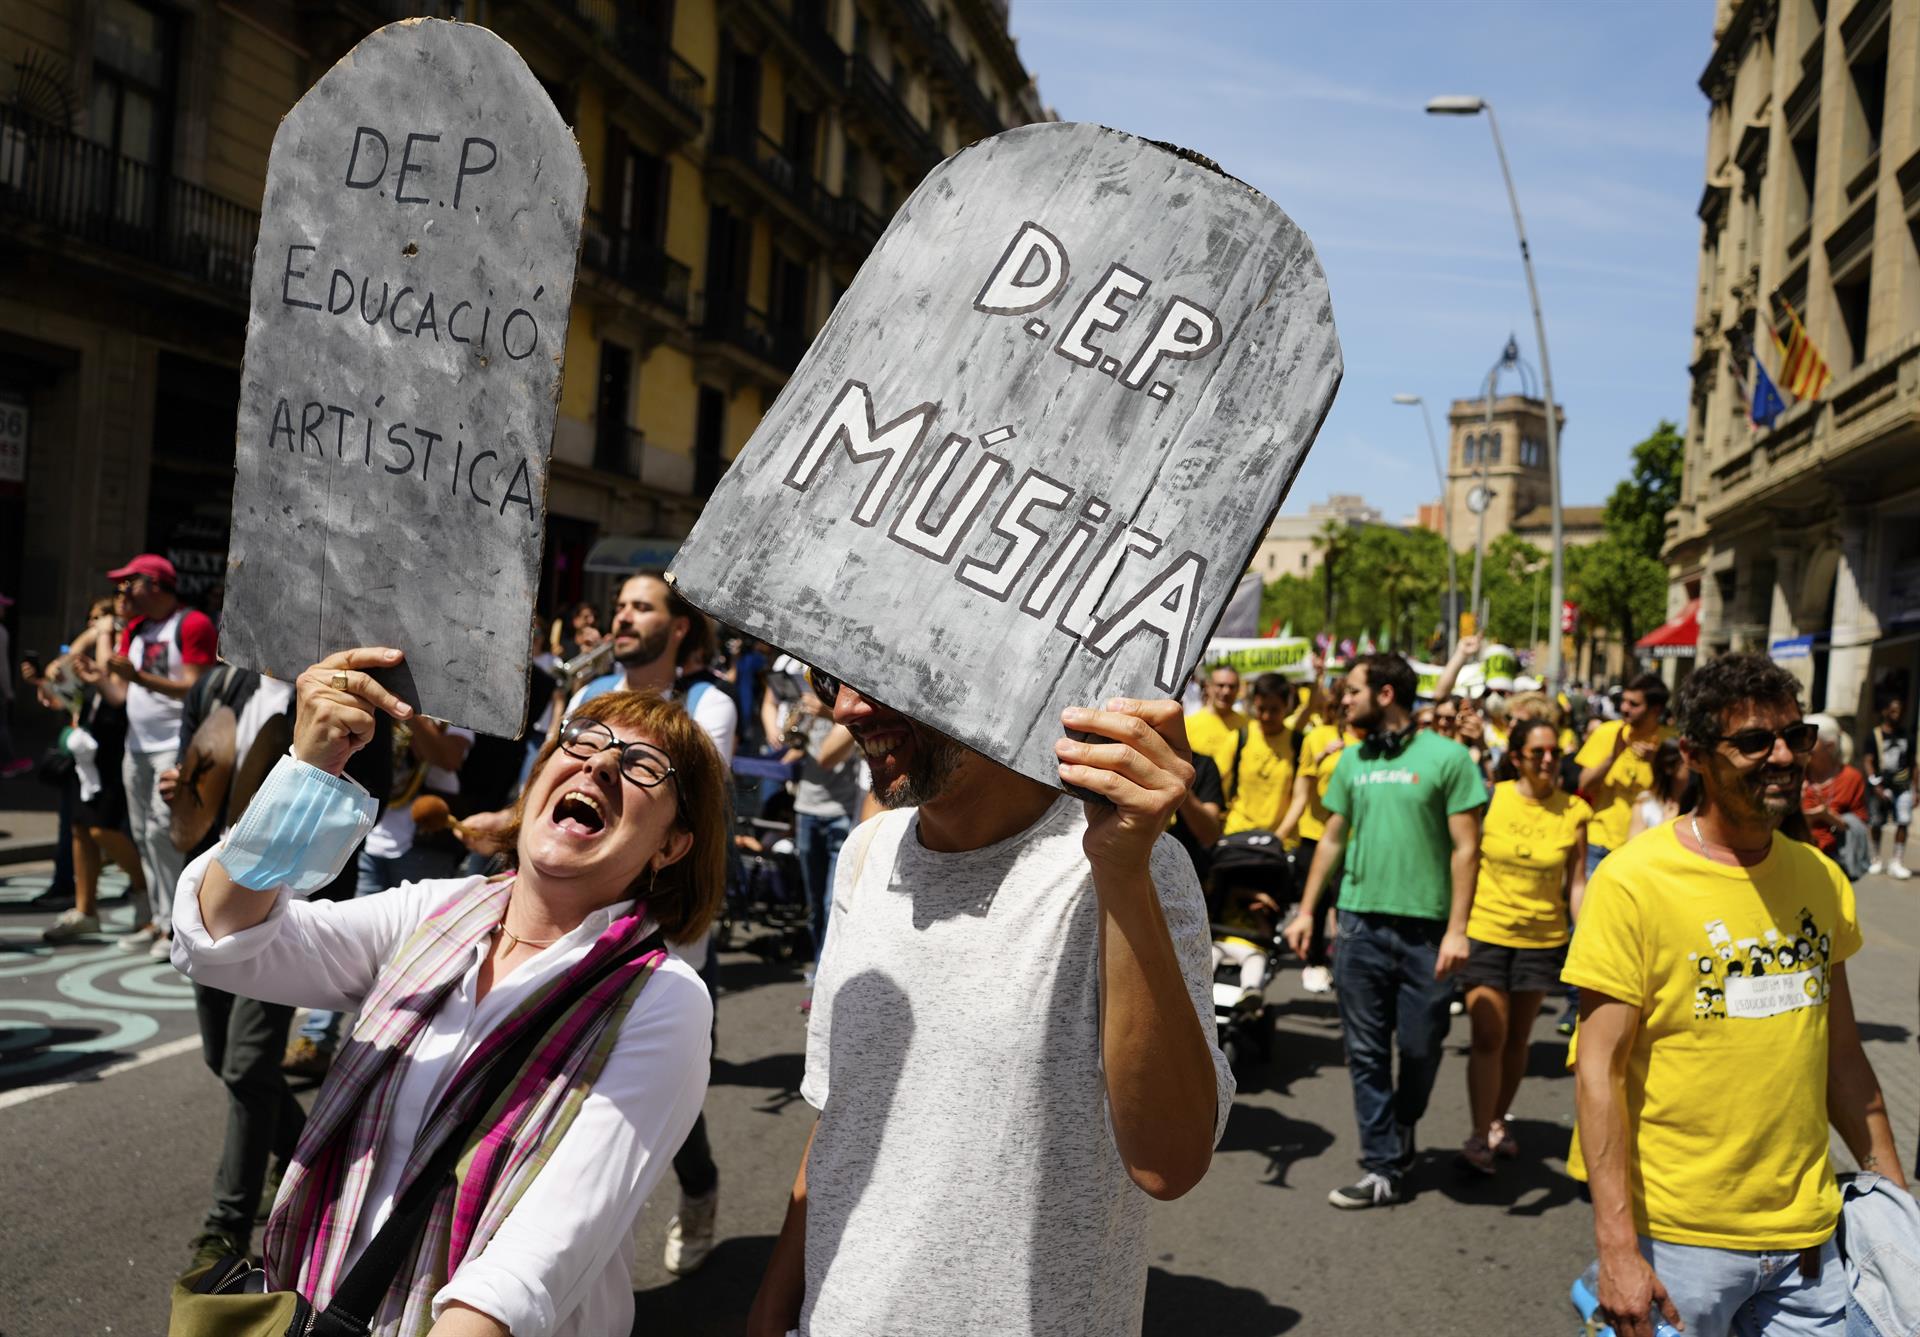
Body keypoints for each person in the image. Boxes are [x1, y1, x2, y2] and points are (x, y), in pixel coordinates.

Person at [171, 652, 725, 1336]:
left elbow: (526, 1268)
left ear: (670, 846)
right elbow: (222, 938)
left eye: (644, 766)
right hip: (318, 1305)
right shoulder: (435, 913)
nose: (601, 764)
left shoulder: (663, 1000)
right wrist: (309, 771)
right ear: (539, 781)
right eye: (582, 738)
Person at [746, 670, 1230, 1337]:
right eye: (829, 677)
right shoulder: (866, 853)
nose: (849, 707)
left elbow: (1170, 1162)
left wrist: (1122, 867)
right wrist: (775, 1304)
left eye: (883, 671)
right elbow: (844, 1110)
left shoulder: (1132, 866)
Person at [1567, 653, 1905, 1337]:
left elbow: (1844, 1061)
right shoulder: (1634, 881)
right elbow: (1597, 1070)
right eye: (1754, 740)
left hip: (1809, 1244)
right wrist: (1617, 1249)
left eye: (1794, 735)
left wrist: (1898, 1208)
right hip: (1679, 1244)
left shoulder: (1820, 877)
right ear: (1694, 754)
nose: (1782, 755)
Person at [1281, 653, 1485, 1209]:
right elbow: (1330, 838)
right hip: (1360, 927)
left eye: (1351, 691)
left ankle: (1403, 1123)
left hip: (1427, 934)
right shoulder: (1351, 761)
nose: (1343, 700)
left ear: (1386, 694)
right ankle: (1381, 1167)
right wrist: (1305, 910)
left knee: (1420, 1048)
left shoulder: (1446, 758)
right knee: (1367, 1053)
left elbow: (1468, 848)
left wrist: (1458, 930)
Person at [283, 714, 476, 1078]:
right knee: (347, 942)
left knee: (412, 954)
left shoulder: (454, 711)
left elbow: (448, 758)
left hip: (424, 841)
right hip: (375, 834)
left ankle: (391, 1049)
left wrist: (413, 718)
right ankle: (319, 1037)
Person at [1456, 717, 1588, 1174]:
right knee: (1488, 1034)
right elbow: (1467, 861)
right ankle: (1478, 1133)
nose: (1549, 760)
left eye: (1555, 752)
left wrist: (1585, 934)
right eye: (1538, 753)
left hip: (1542, 938)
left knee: (1517, 1039)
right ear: (1517, 758)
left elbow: (1576, 883)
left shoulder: (1575, 811)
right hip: (1487, 932)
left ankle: (1497, 1120)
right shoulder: (1491, 800)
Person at [95, 554, 217, 955]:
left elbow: (195, 688)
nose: (124, 591)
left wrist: (139, 677)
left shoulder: (192, 624)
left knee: (164, 832)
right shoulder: (136, 629)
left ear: (154, 583)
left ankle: (175, 927)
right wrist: (93, 678)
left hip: (174, 746)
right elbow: (120, 694)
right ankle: (160, 919)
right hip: (137, 746)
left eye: (130, 582)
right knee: (144, 835)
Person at [39, 595, 148, 943]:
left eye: (106, 618)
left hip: (120, 743)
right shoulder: (100, 636)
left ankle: (144, 890)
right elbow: (66, 666)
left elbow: (111, 681)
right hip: (88, 744)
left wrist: (103, 636)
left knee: (103, 828)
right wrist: (88, 637)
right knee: (79, 828)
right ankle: (86, 910)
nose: (103, 623)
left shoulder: (136, 640)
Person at [1276, 695, 1357, 995]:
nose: (1345, 711)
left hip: (1355, 837)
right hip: (1316, 833)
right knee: (1318, 903)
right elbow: (1304, 789)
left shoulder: (1371, 742)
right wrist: (1323, 758)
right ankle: (1314, 962)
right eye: (1340, 706)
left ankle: (1347, 963)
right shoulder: (1317, 737)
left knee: (1346, 905)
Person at [784, 686, 861, 965]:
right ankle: (818, 969)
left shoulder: (845, 715)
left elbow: (826, 757)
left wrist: (828, 714)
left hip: (839, 813)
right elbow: (785, 743)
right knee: (815, 904)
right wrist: (798, 720)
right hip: (806, 809)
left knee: (832, 904)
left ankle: (823, 976)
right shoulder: (814, 708)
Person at [1574, 672, 1672, 879]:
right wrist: (1613, 757)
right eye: (1623, 701)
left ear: (1656, 709)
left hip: (1645, 850)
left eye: (1633, 704)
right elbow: (1584, 785)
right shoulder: (1607, 732)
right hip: (1599, 845)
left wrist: (1656, 763)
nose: (1624, 708)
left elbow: (1676, 797)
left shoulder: (1671, 742)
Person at [1220, 672, 1306, 837]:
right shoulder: (1238, 738)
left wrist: (1278, 839)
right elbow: (1220, 784)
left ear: (1286, 705)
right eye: (1261, 709)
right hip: (1238, 835)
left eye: (1274, 710)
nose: (1266, 716)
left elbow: (1300, 797)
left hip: (1281, 842)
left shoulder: (1298, 743)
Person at [1800, 713, 1870, 880]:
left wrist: (1827, 816)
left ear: (1829, 746)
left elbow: (1858, 825)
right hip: (1792, 859)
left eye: (1810, 740)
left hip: (1833, 864)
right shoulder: (1794, 774)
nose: (1803, 745)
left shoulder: (1850, 778)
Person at [1864, 692, 1915, 878]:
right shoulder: (1874, 735)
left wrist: (1916, 789)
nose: (1897, 714)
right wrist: (1875, 783)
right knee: (1876, 822)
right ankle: (1876, 858)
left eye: (1899, 711)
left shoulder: (1907, 736)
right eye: (1893, 711)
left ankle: (1897, 861)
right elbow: (1868, 760)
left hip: (1902, 786)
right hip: (1880, 785)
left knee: (1903, 821)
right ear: (1885, 711)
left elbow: (1913, 763)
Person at [1185, 663, 1248, 779]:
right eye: (1220, 685)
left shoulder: (1247, 725)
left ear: (1238, 689)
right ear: (1208, 687)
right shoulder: (1188, 724)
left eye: (1231, 686)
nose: (1226, 692)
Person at [1626, 740, 1689, 842]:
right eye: (1684, 763)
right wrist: (1663, 826)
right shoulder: (1645, 802)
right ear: (1668, 767)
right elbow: (1632, 848)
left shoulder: (1699, 805)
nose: (1692, 767)